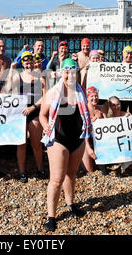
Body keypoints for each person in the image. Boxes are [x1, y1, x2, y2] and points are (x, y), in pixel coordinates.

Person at [39, 58, 92, 232]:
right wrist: (46, 126)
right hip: (58, 139)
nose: (70, 75)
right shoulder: (53, 93)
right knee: (56, 180)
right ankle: (51, 216)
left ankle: (70, 204)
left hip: (77, 139)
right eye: (67, 71)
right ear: (62, 73)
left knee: (71, 174)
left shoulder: (81, 92)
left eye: (73, 71)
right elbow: (42, 115)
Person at [7, 51, 47, 183]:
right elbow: (8, 89)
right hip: (21, 113)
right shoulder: (18, 76)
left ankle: (40, 168)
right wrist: (11, 70)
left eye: (30, 61)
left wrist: (33, 107)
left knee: (36, 144)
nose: (28, 64)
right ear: (22, 64)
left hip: (34, 111)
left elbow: (45, 97)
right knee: (22, 144)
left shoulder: (40, 77)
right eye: (25, 62)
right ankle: (22, 171)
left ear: (33, 62)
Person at [82, 87, 107, 174]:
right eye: (92, 96)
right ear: (87, 97)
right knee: (90, 171)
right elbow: (82, 131)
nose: (94, 98)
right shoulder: (84, 110)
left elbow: (108, 125)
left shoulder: (101, 108)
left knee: (104, 170)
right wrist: (88, 148)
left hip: (99, 140)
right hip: (86, 140)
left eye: (96, 96)